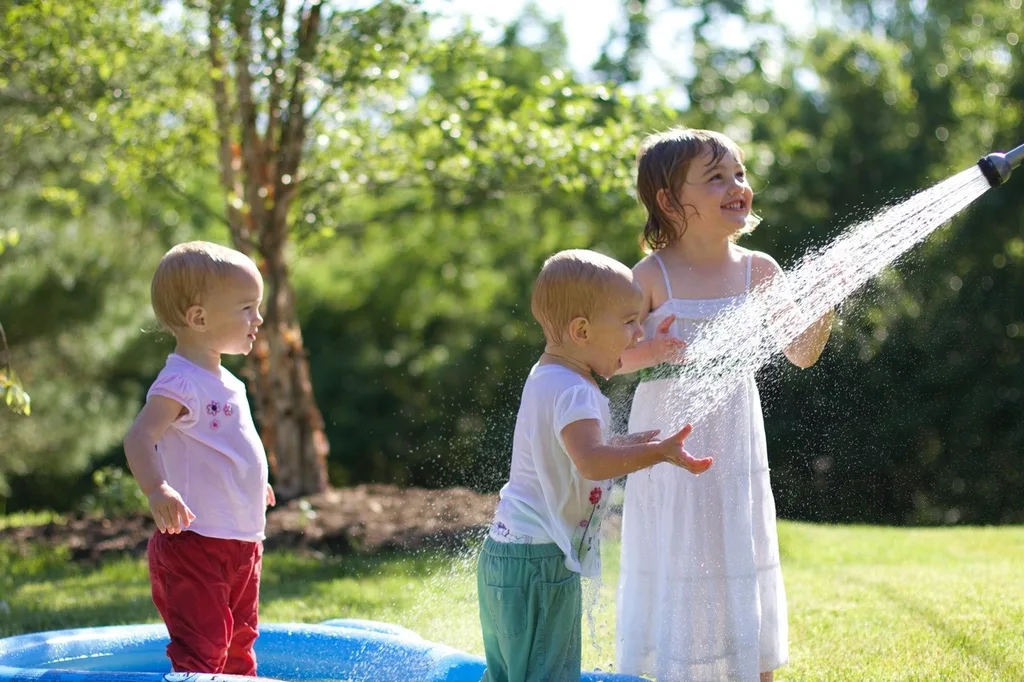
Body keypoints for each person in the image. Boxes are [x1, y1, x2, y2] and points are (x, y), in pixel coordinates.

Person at [614, 128, 836, 681]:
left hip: (734, 435)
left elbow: (801, 353)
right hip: (665, 441)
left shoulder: (758, 270)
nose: (737, 186)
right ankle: (668, 667)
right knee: (675, 549)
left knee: (737, 544)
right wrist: (649, 351)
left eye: (739, 173)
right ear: (669, 202)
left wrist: (824, 303)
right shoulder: (649, 277)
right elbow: (607, 359)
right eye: (716, 177)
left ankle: (749, 668)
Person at [477, 248, 714, 682]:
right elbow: (591, 462)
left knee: (510, 675)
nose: (638, 334)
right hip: (541, 563)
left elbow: (573, 451)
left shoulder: (546, 375)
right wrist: (657, 453)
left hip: (506, 556)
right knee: (548, 676)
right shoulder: (577, 392)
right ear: (582, 330)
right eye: (629, 322)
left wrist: (629, 443)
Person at [123, 241, 275, 675]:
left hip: (241, 541)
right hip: (195, 544)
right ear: (199, 318)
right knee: (202, 649)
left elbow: (225, 445)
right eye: (247, 308)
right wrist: (157, 488)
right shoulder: (180, 381)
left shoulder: (227, 381)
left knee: (239, 646)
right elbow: (139, 437)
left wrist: (252, 482)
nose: (258, 319)